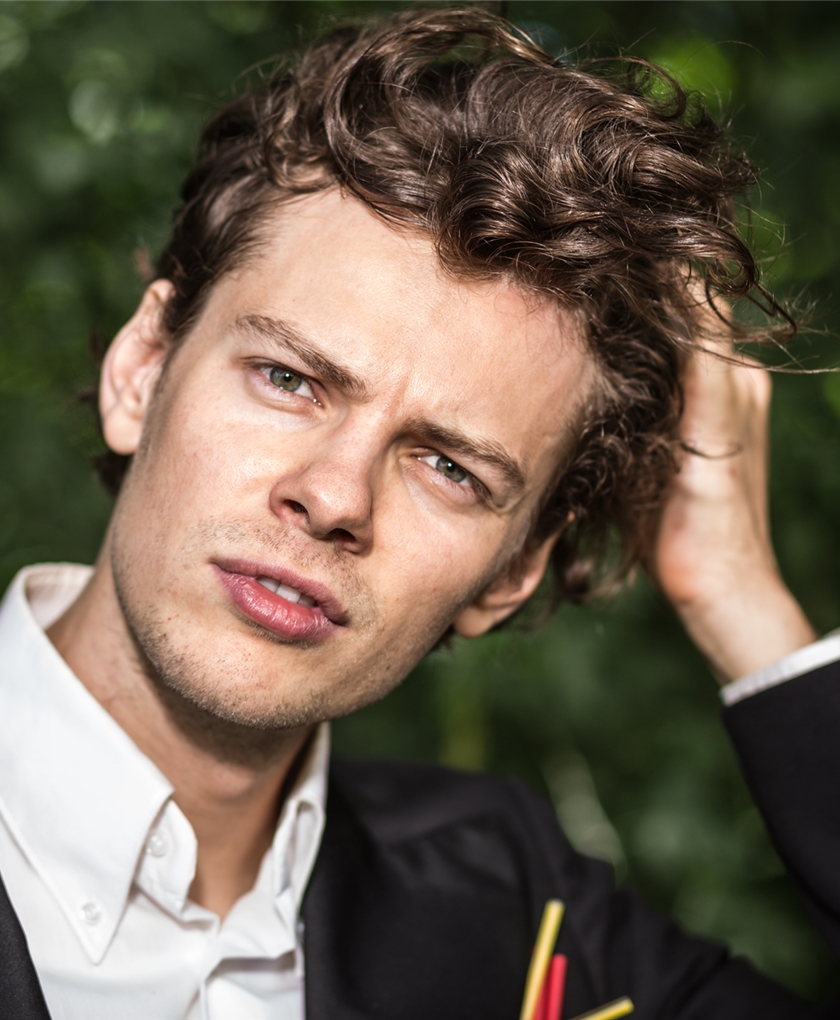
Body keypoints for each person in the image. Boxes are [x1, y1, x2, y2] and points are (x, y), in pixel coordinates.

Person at [0, 7, 835, 1018]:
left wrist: (744, 605)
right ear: (141, 370)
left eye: (448, 467)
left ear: (514, 570)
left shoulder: (516, 901)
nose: (333, 497)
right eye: (287, 378)